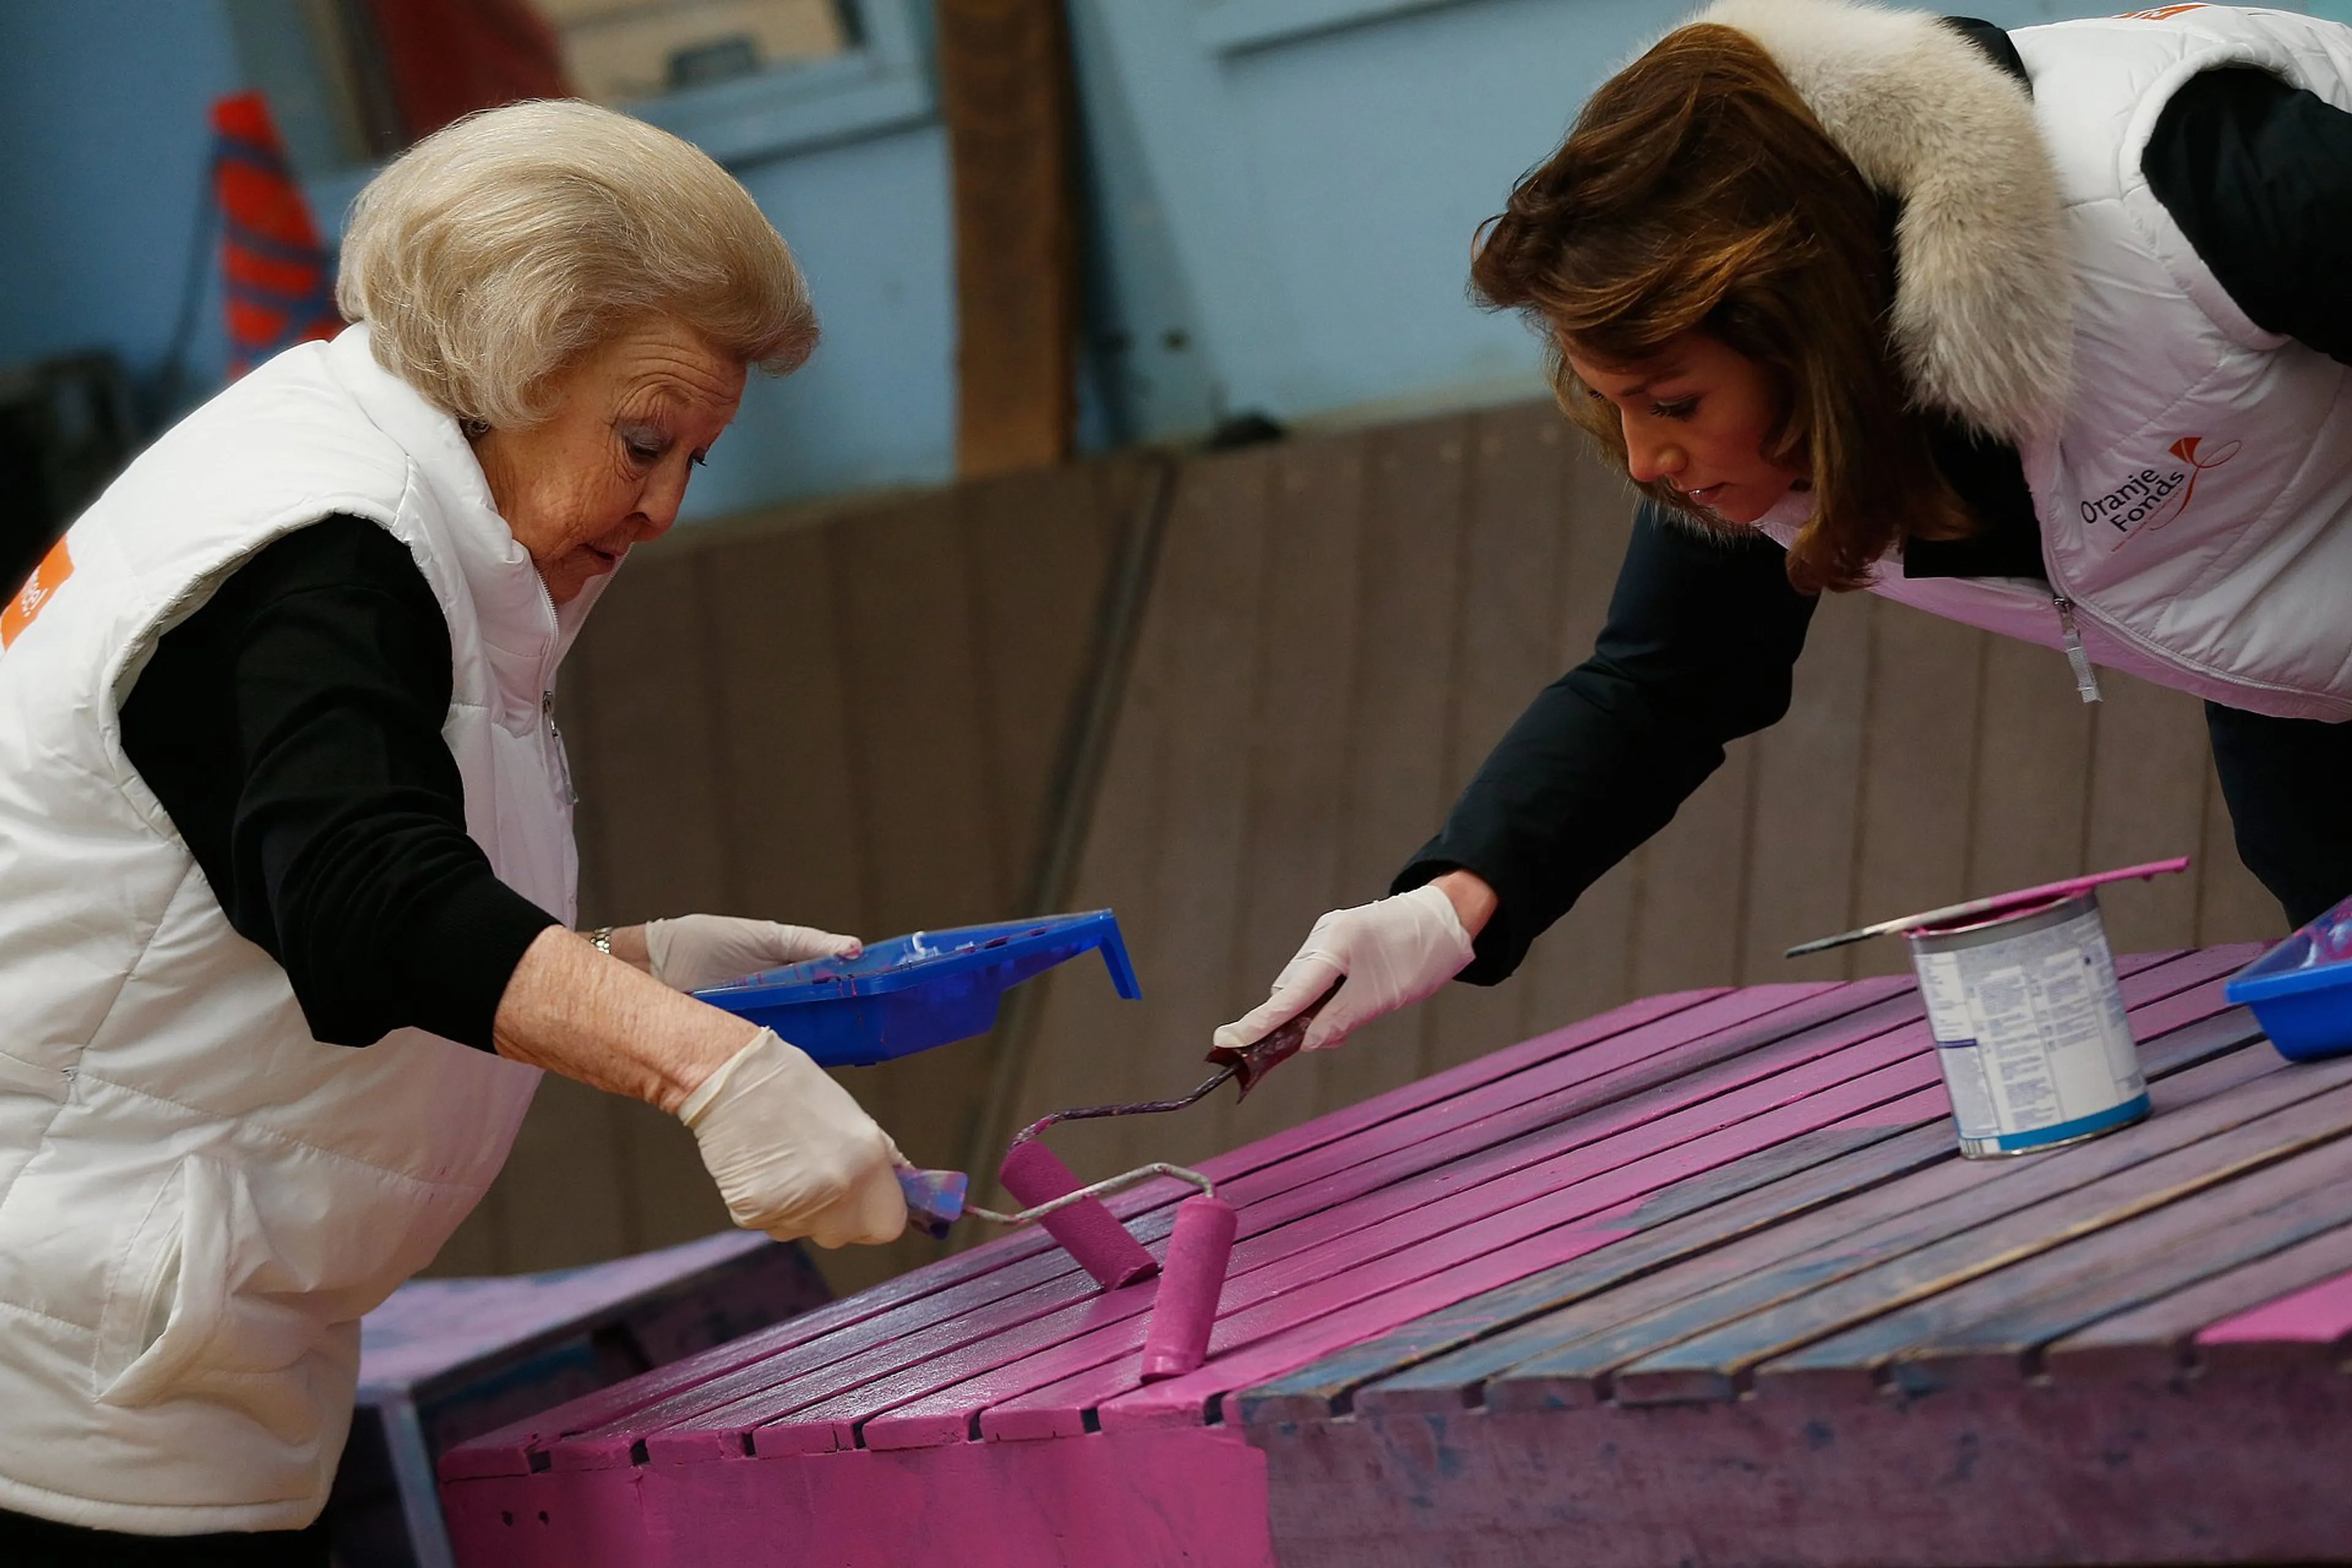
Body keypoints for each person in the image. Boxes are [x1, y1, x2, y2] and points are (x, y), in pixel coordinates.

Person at [0, 101, 907, 1561]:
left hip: (151, 1356)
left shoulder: (390, 497)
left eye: (697, 459)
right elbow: (362, 899)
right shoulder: (315, 547)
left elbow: (254, 907)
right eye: (642, 437)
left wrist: (632, 965)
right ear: (509, 357)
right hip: (45, 1370)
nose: (665, 505)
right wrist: (707, 1065)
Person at [1218, 0, 2352, 1060]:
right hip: (2293, 668)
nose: (1649, 463)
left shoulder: (2184, 180)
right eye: (1614, 404)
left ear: (1812, 334)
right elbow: (1665, 682)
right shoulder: (1769, 430)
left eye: (1671, 405)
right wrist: (1444, 905)